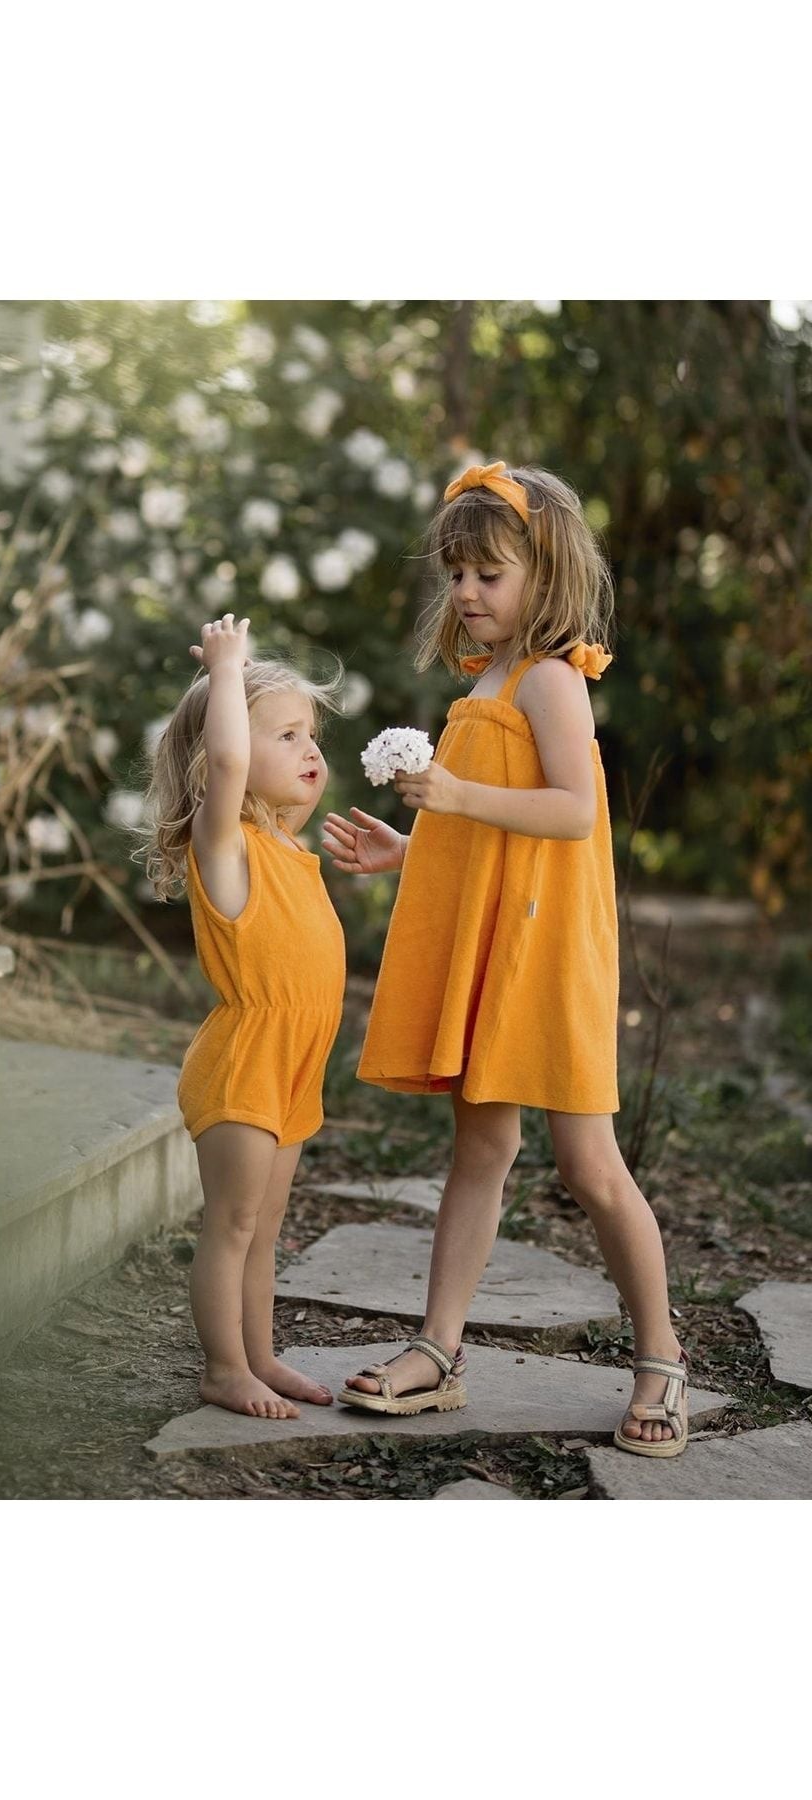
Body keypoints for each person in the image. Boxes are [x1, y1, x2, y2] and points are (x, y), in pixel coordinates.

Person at [324, 462, 689, 1457]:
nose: (468, 592)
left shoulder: (554, 680)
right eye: (456, 574)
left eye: (489, 572)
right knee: (478, 1150)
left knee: (590, 1165)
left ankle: (659, 1355)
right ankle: (440, 1353)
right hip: (500, 940)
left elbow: (574, 812)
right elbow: (491, 833)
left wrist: (453, 798)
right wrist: (410, 849)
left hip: (552, 953)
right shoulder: (484, 683)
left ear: (545, 573)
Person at [135, 614, 347, 1419]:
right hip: (246, 1062)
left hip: (294, 1064)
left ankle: (260, 1356)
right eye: (287, 735)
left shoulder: (290, 852)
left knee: (264, 1228)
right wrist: (228, 671)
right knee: (231, 1224)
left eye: (312, 736)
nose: (311, 752)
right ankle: (224, 1367)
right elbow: (225, 760)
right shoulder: (223, 846)